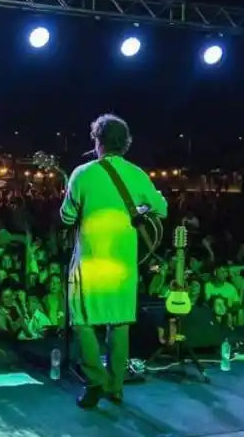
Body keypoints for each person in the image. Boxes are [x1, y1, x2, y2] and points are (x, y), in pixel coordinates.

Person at [60, 113, 168, 408]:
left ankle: (97, 382)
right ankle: (116, 386)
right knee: (119, 325)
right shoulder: (137, 174)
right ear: (126, 143)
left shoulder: (82, 173)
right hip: (122, 266)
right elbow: (162, 208)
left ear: (97, 140)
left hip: (91, 264)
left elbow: (67, 216)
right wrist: (141, 206)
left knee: (83, 323)